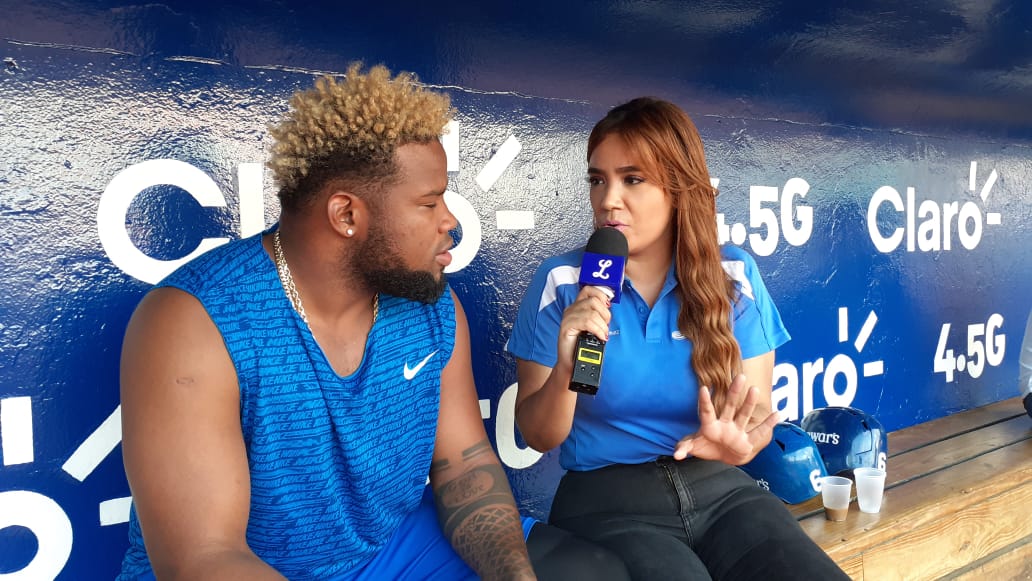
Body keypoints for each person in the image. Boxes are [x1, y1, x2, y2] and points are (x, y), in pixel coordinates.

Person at [118, 64, 627, 581]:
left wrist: (515, 577)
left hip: (390, 549)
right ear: (346, 215)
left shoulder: (431, 304)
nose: (450, 221)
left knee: (589, 574)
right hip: (258, 567)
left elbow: (464, 468)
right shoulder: (193, 319)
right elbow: (204, 558)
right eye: (428, 203)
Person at [507, 97, 850, 580]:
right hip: (605, 502)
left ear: (677, 188)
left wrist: (737, 448)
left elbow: (755, 418)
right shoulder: (562, 282)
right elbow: (539, 435)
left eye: (632, 179)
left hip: (722, 491)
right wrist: (567, 367)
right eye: (597, 180)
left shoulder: (734, 274)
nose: (608, 199)